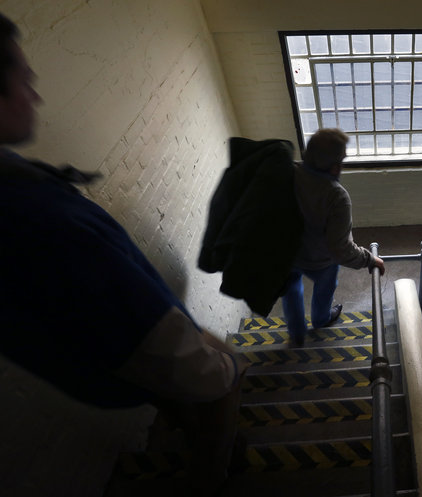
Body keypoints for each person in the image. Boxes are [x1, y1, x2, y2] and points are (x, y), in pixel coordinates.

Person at [0, 13, 247, 495]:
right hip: (117, 356)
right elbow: (146, 328)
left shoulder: (14, 188)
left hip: (81, 362)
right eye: (24, 79)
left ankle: (194, 435)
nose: (36, 95)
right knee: (228, 372)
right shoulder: (34, 212)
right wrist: (224, 371)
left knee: (186, 380)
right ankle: (211, 473)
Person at [283, 128, 385, 346]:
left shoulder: (287, 174)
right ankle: (321, 320)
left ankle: (297, 333)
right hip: (322, 262)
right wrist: (369, 259)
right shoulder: (337, 196)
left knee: (291, 289)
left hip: (288, 253)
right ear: (335, 166)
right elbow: (341, 249)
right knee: (325, 289)